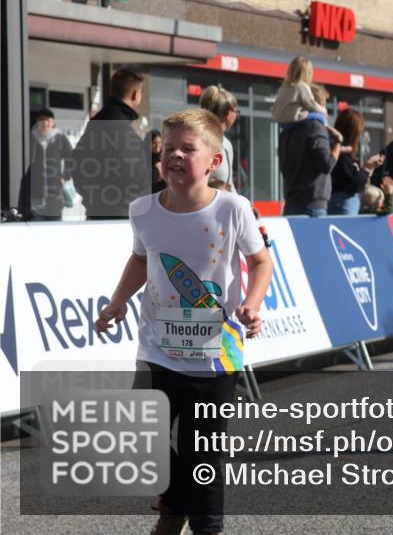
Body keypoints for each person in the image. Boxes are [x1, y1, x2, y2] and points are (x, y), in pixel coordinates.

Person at [96, 108, 273, 535]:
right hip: (157, 349)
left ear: (214, 161)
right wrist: (119, 300)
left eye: (187, 149)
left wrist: (252, 304)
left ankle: (203, 527)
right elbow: (141, 258)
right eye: (167, 148)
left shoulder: (233, 209)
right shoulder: (143, 210)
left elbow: (260, 261)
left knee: (203, 456)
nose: (174, 155)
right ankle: (175, 501)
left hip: (215, 355)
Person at [69, 67, 150, 219]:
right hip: (124, 217)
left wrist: (90, 199)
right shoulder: (126, 131)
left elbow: (76, 165)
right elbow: (138, 178)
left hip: (95, 214)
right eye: (141, 92)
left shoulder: (94, 126)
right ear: (135, 94)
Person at [278, 84, 340, 217]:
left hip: (291, 202)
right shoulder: (316, 127)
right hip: (313, 206)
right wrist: (338, 144)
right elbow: (326, 164)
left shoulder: (286, 131)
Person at [328, 108, 384, 215]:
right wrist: (366, 168)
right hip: (342, 205)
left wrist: (368, 167)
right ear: (354, 133)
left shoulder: (340, 153)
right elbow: (353, 184)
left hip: (343, 204)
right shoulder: (342, 155)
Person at [23, 109, 74, 220]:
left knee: (53, 227)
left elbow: (71, 158)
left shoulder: (60, 138)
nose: (45, 123)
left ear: (53, 122)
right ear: (37, 122)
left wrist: (65, 176)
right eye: (41, 120)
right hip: (36, 193)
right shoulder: (32, 138)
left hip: (54, 193)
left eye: (48, 120)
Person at [199, 85, 239, 192]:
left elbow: (229, 186)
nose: (237, 115)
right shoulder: (199, 140)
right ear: (229, 114)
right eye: (236, 111)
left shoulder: (226, 144)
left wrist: (246, 206)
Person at [149, 129, 166, 194]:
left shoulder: (163, 156)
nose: (157, 145)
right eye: (154, 143)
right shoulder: (142, 155)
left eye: (159, 142)